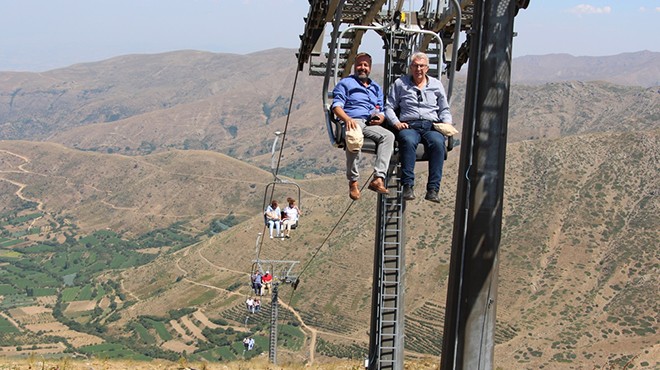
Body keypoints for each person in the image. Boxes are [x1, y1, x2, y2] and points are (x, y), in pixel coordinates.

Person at [384, 51, 453, 203]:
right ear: (410, 67)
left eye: (421, 66)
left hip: (431, 125)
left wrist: (447, 123)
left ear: (427, 68)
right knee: (407, 141)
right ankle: (408, 185)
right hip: (410, 124)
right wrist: (396, 122)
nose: (418, 69)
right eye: (415, 66)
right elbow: (389, 106)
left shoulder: (436, 85)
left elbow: (444, 108)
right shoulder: (400, 84)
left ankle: (433, 189)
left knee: (437, 143)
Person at [332, 52, 395, 200]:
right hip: (353, 119)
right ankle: (353, 181)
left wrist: (380, 117)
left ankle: (378, 178)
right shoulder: (346, 83)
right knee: (355, 136)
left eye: (365, 65)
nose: (362, 68)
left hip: (369, 122)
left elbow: (380, 108)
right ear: (355, 66)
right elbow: (336, 106)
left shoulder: (375, 88)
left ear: (370, 68)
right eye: (360, 65)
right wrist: (347, 119)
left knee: (388, 136)